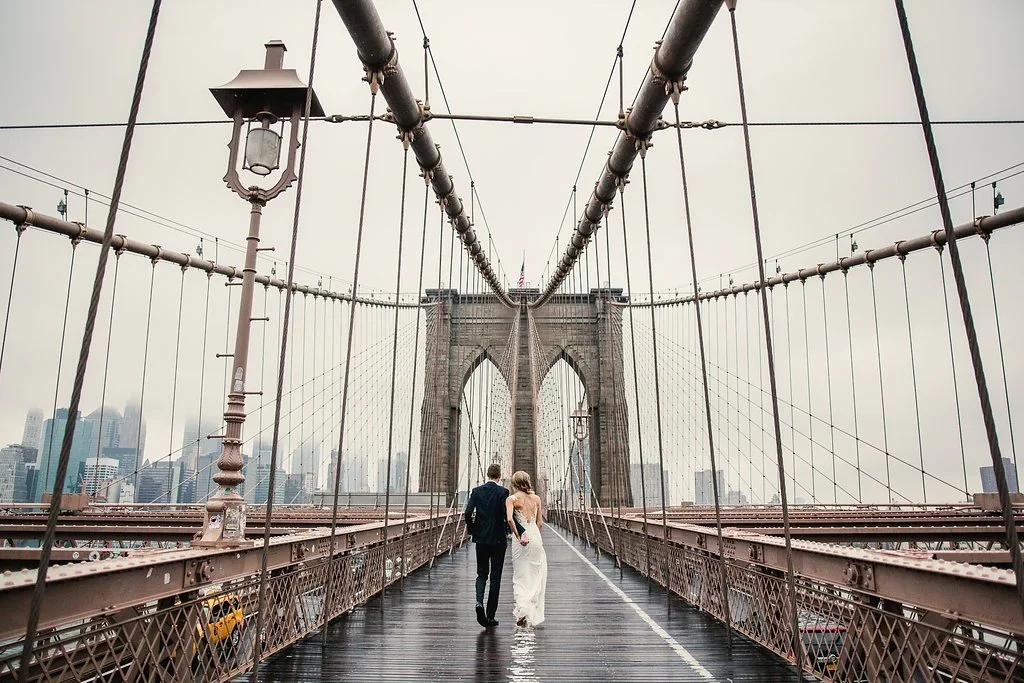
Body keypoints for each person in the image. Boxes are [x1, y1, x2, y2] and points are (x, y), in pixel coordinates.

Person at [464, 463, 523, 628]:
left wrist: (472, 529)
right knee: (495, 578)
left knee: (481, 574)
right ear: (499, 476)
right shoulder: (503, 492)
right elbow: (508, 516)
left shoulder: (476, 491)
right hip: (498, 541)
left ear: (488, 475)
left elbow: (468, 512)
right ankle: (490, 616)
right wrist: (521, 531)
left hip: (481, 540)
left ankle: (478, 602)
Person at [505, 470, 547, 628]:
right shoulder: (536, 499)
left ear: (514, 483)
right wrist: (533, 535)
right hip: (535, 538)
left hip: (521, 540)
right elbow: (540, 523)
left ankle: (522, 609)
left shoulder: (512, 499)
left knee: (521, 575)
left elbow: (510, 519)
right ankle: (528, 609)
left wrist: (518, 535)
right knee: (535, 574)